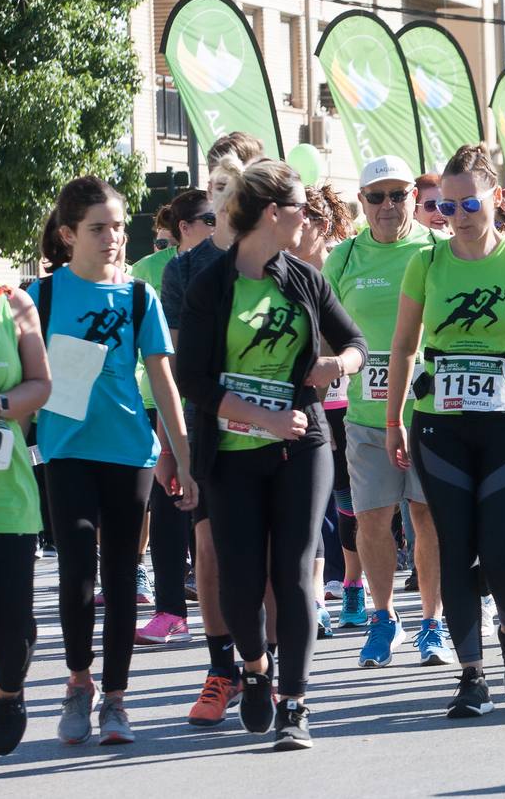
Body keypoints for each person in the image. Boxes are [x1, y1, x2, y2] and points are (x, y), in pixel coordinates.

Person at [177, 156, 366, 751]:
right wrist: (260, 417)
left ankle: (295, 703)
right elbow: (194, 381)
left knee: (293, 569)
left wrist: (337, 365)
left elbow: (355, 341)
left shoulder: (305, 278)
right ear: (268, 214)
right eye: (297, 209)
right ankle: (253, 670)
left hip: (302, 446)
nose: (306, 218)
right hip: (233, 450)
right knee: (239, 572)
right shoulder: (213, 285)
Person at [385, 144, 505, 718]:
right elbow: (402, 345)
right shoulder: (427, 263)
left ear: (496, 199)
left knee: (500, 548)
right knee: (454, 544)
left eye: (470, 203)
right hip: (440, 425)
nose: (458, 216)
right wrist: (395, 417)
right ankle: (471, 674)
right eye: (447, 206)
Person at [31, 177, 197, 746]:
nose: (112, 238)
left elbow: (163, 381)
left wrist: (183, 456)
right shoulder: (40, 296)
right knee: (77, 572)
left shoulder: (139, 297)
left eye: (119, 227)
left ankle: (117, 701)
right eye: (99, 228)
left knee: (123, 577)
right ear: (69, 233)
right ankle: (79, 683)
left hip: (129, 454)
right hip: (66, 450)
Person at [322, 156, 453, 668]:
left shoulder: (438, 250)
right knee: (372, 519)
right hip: (366, 416)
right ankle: (382, 618)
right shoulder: (345, 258)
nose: (387, 206)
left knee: (426, 517)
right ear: (362, 202)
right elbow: (321, 326)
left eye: (398, 195)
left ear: (414, 200)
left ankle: (432, 622)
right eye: (376, 196)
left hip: (429, 414)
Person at [160, 131, 270, 727]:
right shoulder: (186, 272)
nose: (226, 199)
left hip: (277, 429)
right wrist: (172, 445)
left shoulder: (285, 261)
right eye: (219, 187)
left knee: (274, 555)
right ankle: (221, 669)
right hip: (210, 430)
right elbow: (176, 370)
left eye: (238, 187)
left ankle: (270, 667)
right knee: (210, 549)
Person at [134, 189, 212, 647]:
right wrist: (167, 444)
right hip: (161, 403)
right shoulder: (153, 272)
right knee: (168, 504)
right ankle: (170, 610)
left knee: (213, 515)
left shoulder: (235, 267)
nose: (218, 225)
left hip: (223, 411)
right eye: (208, 219)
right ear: (184, 227)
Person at [291, 183, 358, 641]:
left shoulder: (341, 266)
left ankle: (353, 582)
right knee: (312, 501)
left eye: (305, 220)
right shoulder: (281, 273)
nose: (296, 229)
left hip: (349, 399)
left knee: (353, 500)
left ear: (321, 225)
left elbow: (358, 336)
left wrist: (340, 360)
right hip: (305, 405)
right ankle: (316, 595)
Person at [0, 280, 51, 756]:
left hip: (4, 497)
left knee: (12, 630)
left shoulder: (11, 303)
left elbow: (40, 386)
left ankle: (9, 693)